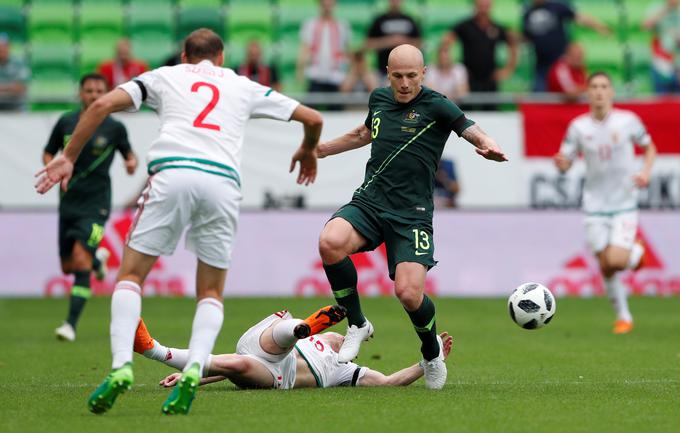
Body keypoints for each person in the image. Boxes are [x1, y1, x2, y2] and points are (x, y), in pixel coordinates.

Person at [35, 28, 323, 415]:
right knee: (210, 292)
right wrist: (307, 149)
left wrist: (68, 156)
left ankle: (121, 366)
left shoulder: (166, 74)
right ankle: (192, 371)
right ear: (221, 59)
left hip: (171, 174)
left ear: (185, 57)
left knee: (131, 277)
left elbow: (101, 105)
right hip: (221, 183)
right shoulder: (241, 85)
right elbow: (313, 116)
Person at [315, 44, 507, 390]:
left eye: (411, 76)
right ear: (388, 74)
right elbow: (364, 133)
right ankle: (357, 324)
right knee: (330, 242)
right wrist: (322, 149)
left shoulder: (437, 104)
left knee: (408, 293)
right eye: (398, 76)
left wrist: (488, 144)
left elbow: (469, 127)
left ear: (424, 73)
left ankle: (432, 353)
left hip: (412, 215)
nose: (404, 84)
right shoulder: (378, 99)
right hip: (370, 202)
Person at [554, 72, 657, 334]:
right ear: (588, 93)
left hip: (623, 202)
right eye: (594, 87)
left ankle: (636, 253)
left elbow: (650, 147)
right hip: (594, 205)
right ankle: (623, 317)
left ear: (611, 92)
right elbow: (566, 161)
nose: (599, 91)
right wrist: (562, 163)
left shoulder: (628, 121)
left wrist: (645, 172)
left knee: (617, 260)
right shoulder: (578, 126)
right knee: (606, 266)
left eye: (604, 87)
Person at [133, 306, 454, 390]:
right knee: (285, 333)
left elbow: (386, 382)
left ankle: (152, 349)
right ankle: (301, 327)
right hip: (271, 346)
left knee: (237, 365)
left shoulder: (347, 371)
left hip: (274, 374)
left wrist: (428, 360)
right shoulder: (327, 340)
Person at [44, 73, 138, 342]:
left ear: (107, 93)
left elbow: (130, 156)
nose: (94, 95)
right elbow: (48, 151)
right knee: (68, 265)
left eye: (99, 91)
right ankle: (99, 260)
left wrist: (131, 163)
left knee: (80, 258)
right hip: (68, 203)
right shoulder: (66, 122)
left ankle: (70, 324)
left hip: (97, 206)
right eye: (89, 91)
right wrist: (52, 166)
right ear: (80, 93)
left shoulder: (115, 128)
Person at [441, 0, 517, 108]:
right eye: (481, 6)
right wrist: (453, 67)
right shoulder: (465, 26)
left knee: (491, 112)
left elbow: (512, 44)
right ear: (475, 6)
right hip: (468, 77)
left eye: (486, 6)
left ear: (491, 7)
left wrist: (508, 69)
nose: (483, 9)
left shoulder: (496, 27)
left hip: (490, 78)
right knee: (466, 112)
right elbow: (445, 43)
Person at [523, 0, 609, 92]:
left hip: (560, 61)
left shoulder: (556, 7)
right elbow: (527, 37)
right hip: (542, 64)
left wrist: (598, 26)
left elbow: (578, 17)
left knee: (568, 92)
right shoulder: (528, 13)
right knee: (539, 97)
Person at [297, 0, 351, 107]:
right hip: (315, 74)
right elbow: (304, 48)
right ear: (319, 5)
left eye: (329, 5)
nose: (327, 8)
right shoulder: (310, 25)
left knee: (337, 111)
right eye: (324, 5)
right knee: (311, 110)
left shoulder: (342, 26)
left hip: (335, 76)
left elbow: (346, 51)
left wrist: (347, 76)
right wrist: (300, 70)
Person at [366, 0, 422, 82]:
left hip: (408, 72)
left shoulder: (409, 20)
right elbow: (368, 44)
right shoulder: (379, 20)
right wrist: (389, 41)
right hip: (383, 72)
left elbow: (419, 43)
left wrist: (403, 42)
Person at [642, 0, 680, 94]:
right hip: (662, 62)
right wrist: (666, 8)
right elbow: (646, 26)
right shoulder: (656, 7)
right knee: (662, 99)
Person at [0, 33, 29, 111]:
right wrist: (10, 87)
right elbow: (15, 87)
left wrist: (2, 88)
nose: (1, 49)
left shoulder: (19, 63)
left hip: (17, 110)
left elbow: (21, 88)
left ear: (9, 47)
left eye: (3, 46)